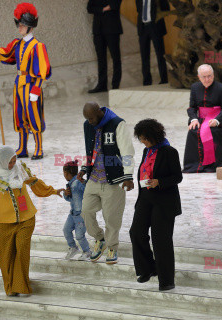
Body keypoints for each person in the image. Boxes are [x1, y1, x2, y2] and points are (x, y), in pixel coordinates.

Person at [0, 146, 63, 296]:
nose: (13, 164)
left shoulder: (20, 170)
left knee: (22, 251)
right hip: (3, 223)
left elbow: (35, 183)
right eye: (10, 162)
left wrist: (53, 191)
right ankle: (10, 288)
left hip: (26, 219)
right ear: (1, 161)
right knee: (6, 256)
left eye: (14, 160)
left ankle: (20, 285)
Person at [0, 3, 51, 160]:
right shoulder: (17, 43)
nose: (19, 27)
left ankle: (39, 148)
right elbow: (8, 55)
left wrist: (36, 90)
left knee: (34, 116)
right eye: (19, 24)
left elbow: (42, 70)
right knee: (20, 115)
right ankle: (22, 147)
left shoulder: (38, 46)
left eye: (22, 25)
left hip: (31, 85)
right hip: (19, 84)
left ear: (30, 26)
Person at [78, 102, 135, 264]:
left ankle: (112, 247)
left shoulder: (117, 123)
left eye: (91, 118)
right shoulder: (88, 125)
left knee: (112, 217)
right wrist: (84, 168)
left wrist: (128, 176)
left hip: (113, 180)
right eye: (87, 119)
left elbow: (127, 151)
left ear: (99, 112)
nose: (89, 121)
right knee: (85, 211)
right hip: (94, 178)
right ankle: (100, 239)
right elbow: (90, 149)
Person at [130, 119, 182, 291]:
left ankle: (166, 280)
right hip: (145, 198)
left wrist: (159, 182)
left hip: (164, 201)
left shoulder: (169, 151)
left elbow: (177, 177)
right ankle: (148, 268)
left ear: (153, 136)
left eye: (144, 138)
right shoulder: (147, 151)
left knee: (161, 240)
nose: (143, 142)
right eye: (141, 139)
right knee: (136, 232)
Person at [183, 64, 222, 173]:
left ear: (213, 75)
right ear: (198, 77)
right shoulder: (195, 87)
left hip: (217, 119)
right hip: (200, 119)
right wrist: (194, 119)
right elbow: (192, 107)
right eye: (204, 77)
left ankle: (211, 166)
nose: (207, 79)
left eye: (209, 76)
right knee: (193, 131)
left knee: (213, 131)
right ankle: (193, 166)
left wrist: (217, 120)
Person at [87, 0, 123, 93]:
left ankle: (115, 85)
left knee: (116, 58)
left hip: (112, 29)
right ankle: (102, 85)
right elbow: (89, 8)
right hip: (98, 30)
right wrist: (103, 9)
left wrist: (98, 9)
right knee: (101, 58)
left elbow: (114, 5)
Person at [135, 0, 169, 86]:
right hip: (143, 28)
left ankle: (164, 80)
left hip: (156, 27)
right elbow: (139, 10)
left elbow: (166, 8)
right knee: (144, 56)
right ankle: (146, 81)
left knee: (160, 55)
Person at [62, 160, 91, 261]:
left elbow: (87, 189)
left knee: (79, 235)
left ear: (66, 173)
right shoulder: (70, 184)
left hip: (81, 215)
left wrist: (83, 182)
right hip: (72, 214)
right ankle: (73, 247)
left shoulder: (77, 182)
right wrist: (66, 194)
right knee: (66, 230)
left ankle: (87, 251)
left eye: (64, 173)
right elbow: (70, 199)